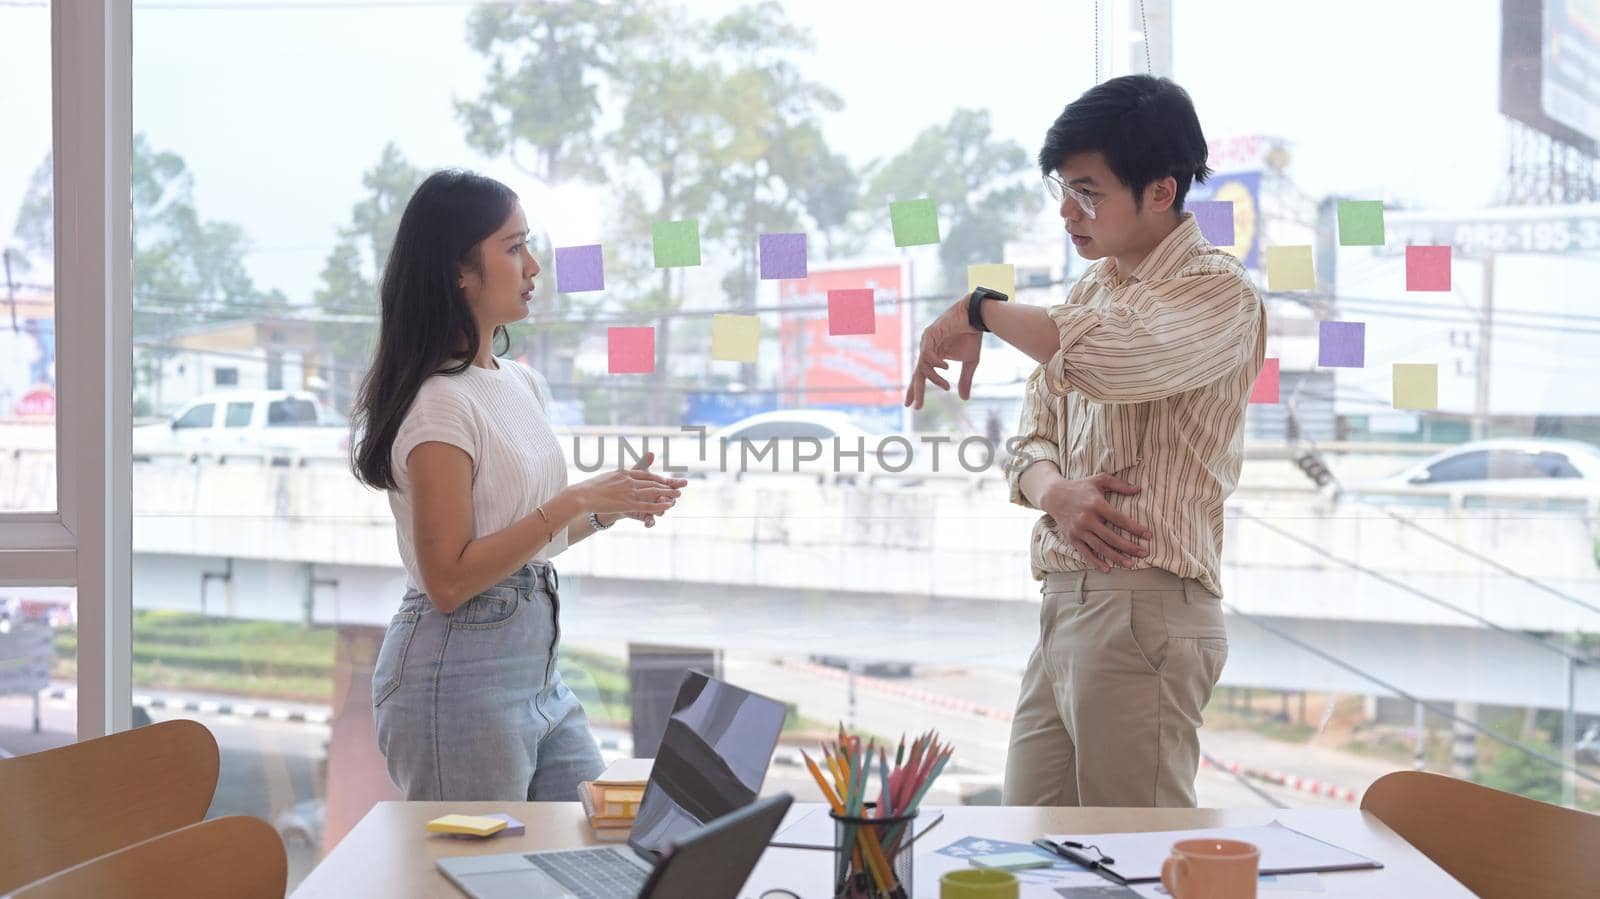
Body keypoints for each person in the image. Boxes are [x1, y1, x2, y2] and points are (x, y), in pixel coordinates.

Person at [905, 76, 1266, 807]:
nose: (1069, 213)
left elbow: (1113, 362)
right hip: (1064, 600)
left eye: (1089, 192)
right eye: (1062, 190)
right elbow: (1031, 438)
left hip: (1146, 601)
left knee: (1133, 857)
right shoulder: (1089, 296)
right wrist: (1056, 494)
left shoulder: (1218, 292)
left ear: (1160, 191)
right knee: (1030, 846)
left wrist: (981, 308)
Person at [351, 169, 687, 801]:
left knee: (588, 845)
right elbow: (449, 579)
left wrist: (609, 507)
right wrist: (577, 498)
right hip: (457, 674)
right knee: (480, 877)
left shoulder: (520, 383)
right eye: (513, 247)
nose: (533, 266)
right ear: (459, 272)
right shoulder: (438, 405)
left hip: (536, 671)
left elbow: (527, 539)